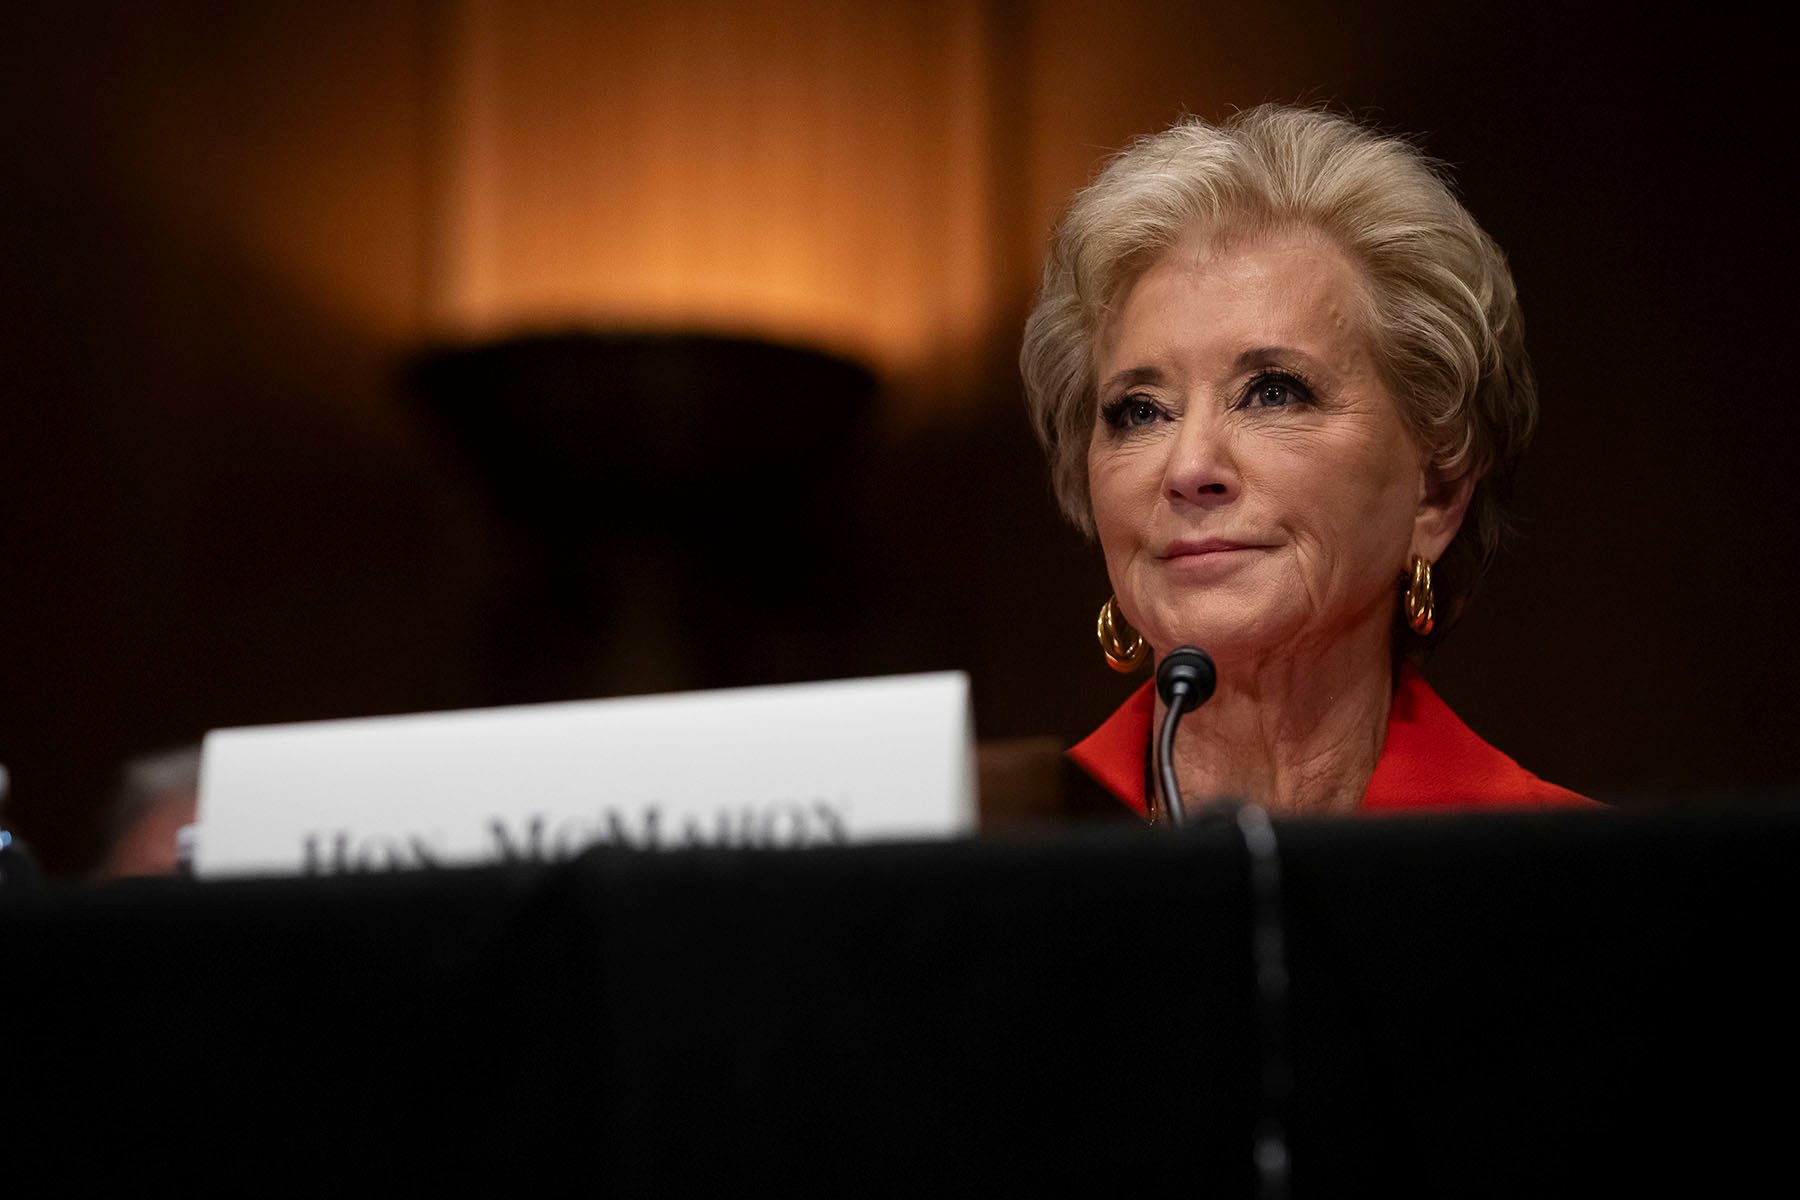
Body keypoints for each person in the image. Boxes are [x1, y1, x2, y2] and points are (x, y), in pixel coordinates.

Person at [1020, 104, 1595, 819]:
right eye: (1140, 411)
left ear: (1437, 490)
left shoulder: (1592, 890)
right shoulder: (983, 876)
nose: (1189, 465)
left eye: (1271, 394)